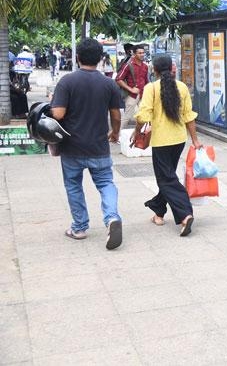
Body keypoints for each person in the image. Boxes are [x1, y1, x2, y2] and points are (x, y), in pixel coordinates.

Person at [49, 38, 123, 249]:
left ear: (78, 57)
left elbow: (58, 113)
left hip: (72, 148)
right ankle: (112, 218)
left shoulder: (67, 81)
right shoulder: (109, 83)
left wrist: (54, 101)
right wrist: (115, 133)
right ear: (101, 59)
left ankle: (79, 227)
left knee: (73, 185)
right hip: (99, 146)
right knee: (106, 183)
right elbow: (116, 115)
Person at [134, 54, 203, 236]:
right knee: (168, 176)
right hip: (179, 140)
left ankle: (185, 214)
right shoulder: (182, 87)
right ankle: (158, 210)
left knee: (166, 179)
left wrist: (136, 131)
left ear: (154, 70)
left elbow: (143, 116)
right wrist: (195, 140)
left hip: (161, 141)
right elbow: (189, 116)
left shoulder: (151, 88)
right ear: (172, 68)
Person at [116, 44, 149, 126]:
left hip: (143, 94)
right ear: (134, 54)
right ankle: (114, 136)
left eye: (143, 53)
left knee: (145, 117)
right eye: (139, 53)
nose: (142, 55)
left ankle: (141, 137)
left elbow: (146, 80)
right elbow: (118, 79)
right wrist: (130, 89)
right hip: (132, 95)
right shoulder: (128, 65)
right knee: (126, 118)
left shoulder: (145, 66)